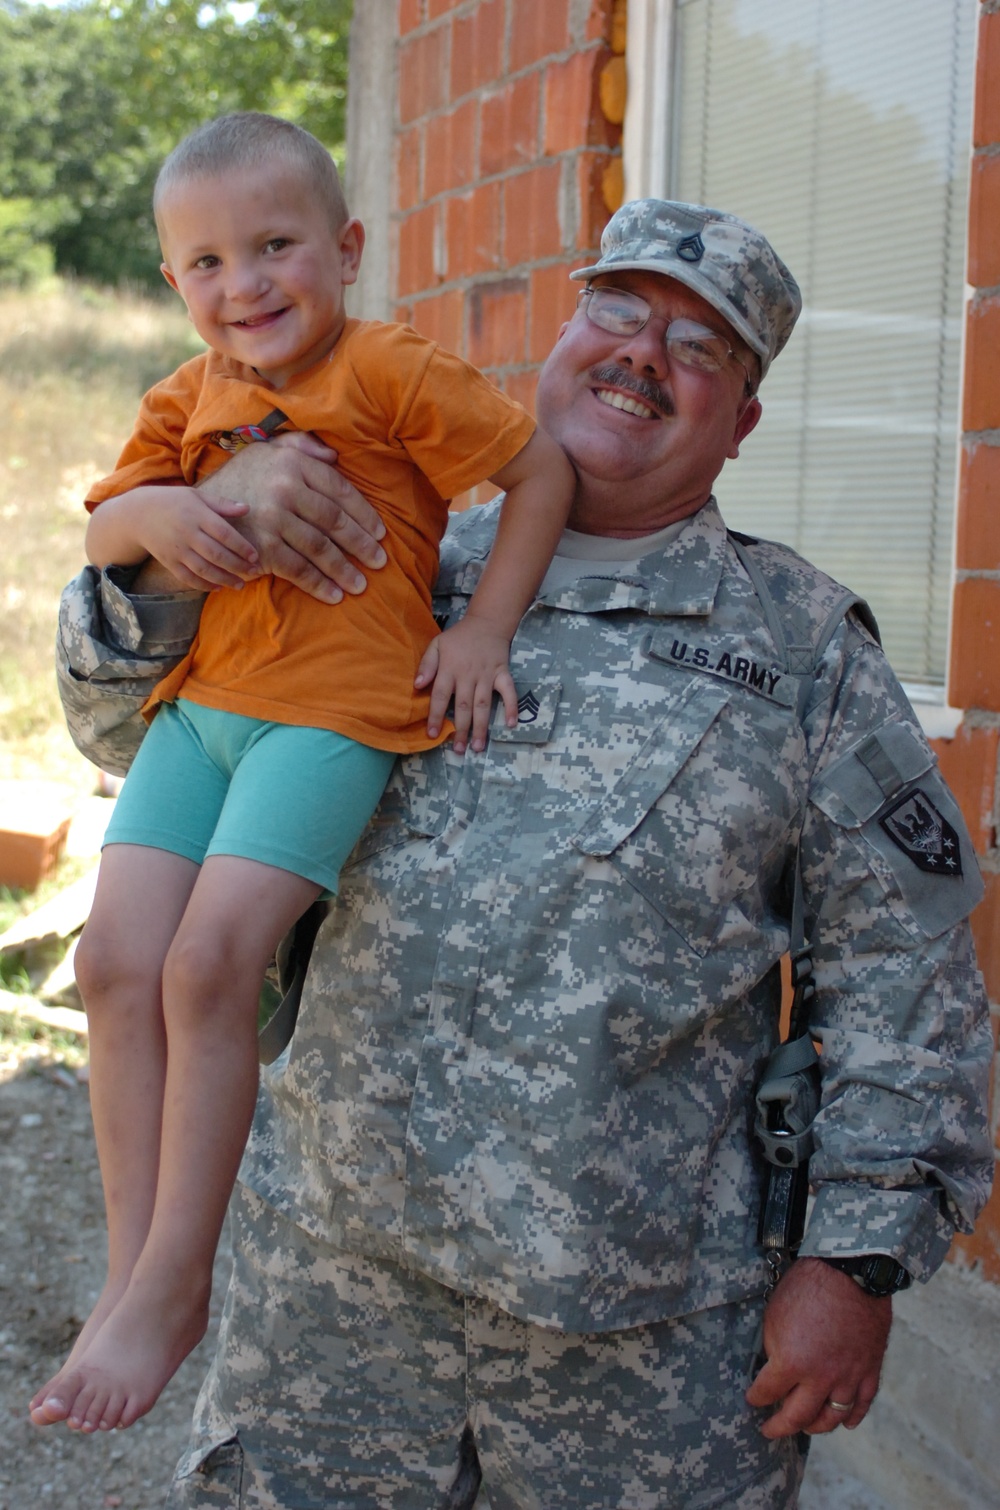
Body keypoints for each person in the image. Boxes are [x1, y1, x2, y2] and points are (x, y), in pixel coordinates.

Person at [55, 199, 992, 1509]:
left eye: (700, 348)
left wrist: (855, 1265)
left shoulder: (804, 649)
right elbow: (115, 720)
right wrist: (192, 521)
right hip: (331, 1307)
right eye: (618, 311)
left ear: (742, 421)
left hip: (634, 1351)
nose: (641, 355)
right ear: (565, 332)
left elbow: (906, 981)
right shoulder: (398, 534)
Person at [30, 112, 575, 1436]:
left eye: (275, 246)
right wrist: (165, 512)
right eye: (207, 262)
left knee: (209, 967)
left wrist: (483, 624)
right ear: (174, 280)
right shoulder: (191, 391)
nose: (246, 285)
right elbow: (110, 525)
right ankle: (129, 1268)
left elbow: (538, 467)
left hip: (328, 718)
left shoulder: (387, 368)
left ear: (346, 246)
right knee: (113, 965)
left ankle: (177, 1280)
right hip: (199, 712)